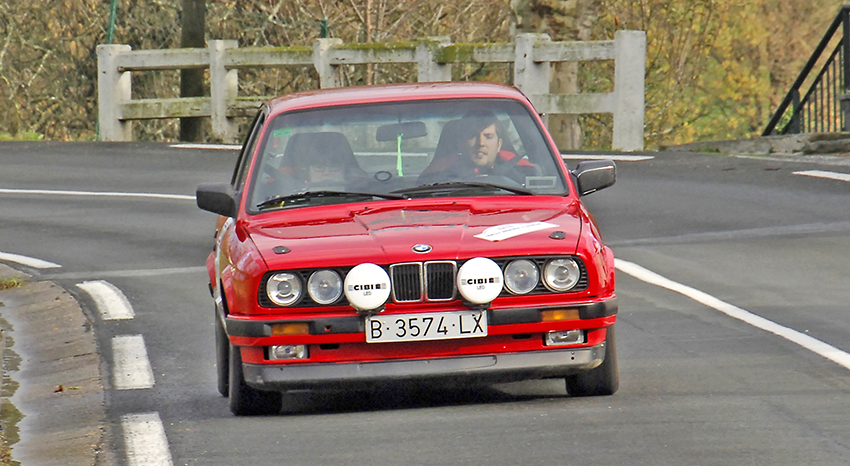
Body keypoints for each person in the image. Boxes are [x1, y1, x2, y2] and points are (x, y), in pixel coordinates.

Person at [418, 110, 536, 185]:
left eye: (488, 136)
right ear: (460, 143)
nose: (481, 143)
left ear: (499, 145)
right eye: (472, 136)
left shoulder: (524, 176)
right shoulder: (436, 179)